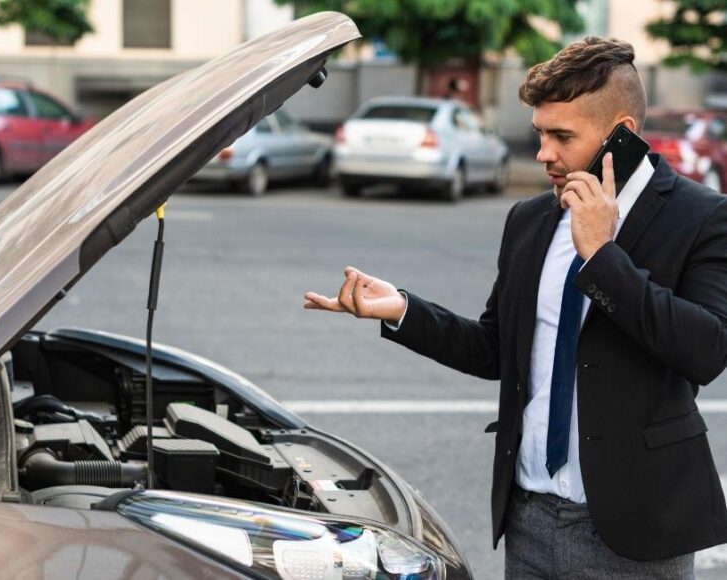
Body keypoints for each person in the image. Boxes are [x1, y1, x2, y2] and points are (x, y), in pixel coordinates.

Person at [304, 36, 727, 578]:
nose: (543, 154)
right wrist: (401, 310)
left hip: (634, 530)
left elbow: (706, 351)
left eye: (562, 136)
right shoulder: (531, 219)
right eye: (539, 134)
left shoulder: (702, 217)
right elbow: (495, 349)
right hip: (529, 516)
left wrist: (602, 255)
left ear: (621, 135)